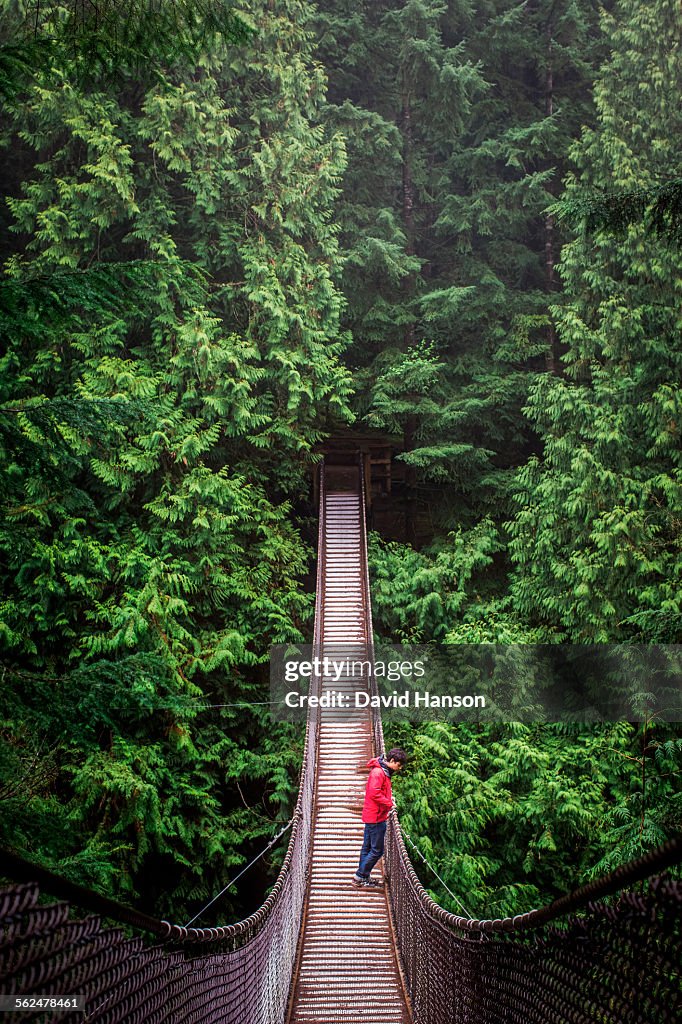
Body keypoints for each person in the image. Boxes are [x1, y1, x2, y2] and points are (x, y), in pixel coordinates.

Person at [352, 747, 406, 889]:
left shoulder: (382, 770)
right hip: (376, 816)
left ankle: (363, 877)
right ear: (392, 761)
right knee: (377, 850)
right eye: (398, 765)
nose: (399, 768)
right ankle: (360, 876)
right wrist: (389, 803)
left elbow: (380, 791)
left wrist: (389, 798)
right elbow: (374, 793)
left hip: (373, 814)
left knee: (367, 847)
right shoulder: (378, 772)